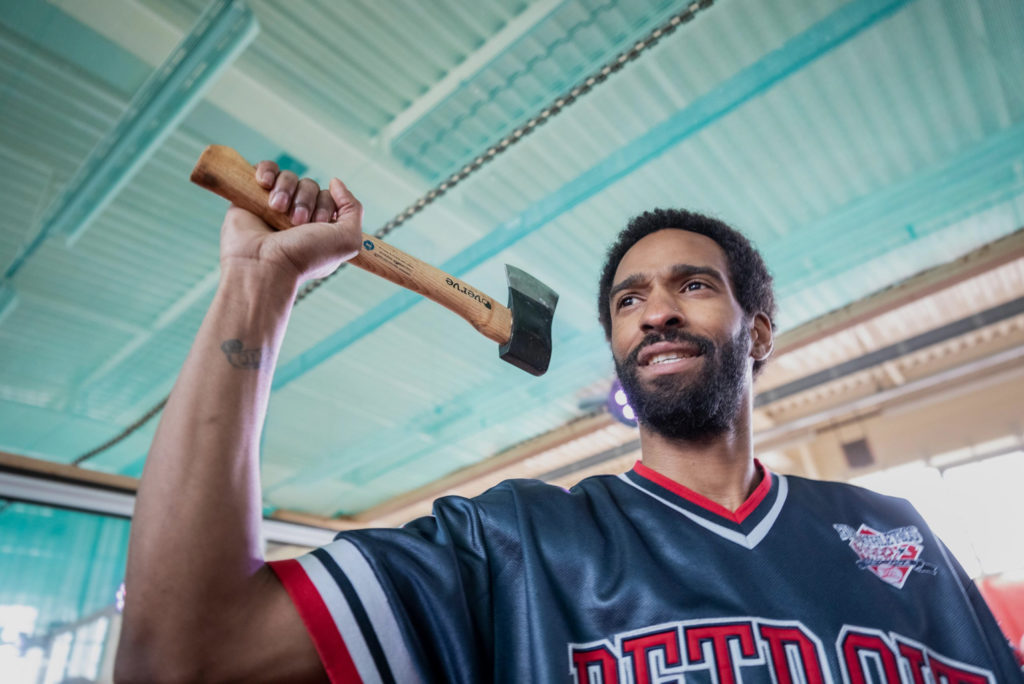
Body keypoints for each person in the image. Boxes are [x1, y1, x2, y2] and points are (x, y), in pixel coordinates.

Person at [115, 163, 1023, 683]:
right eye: (630, 299)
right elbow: (183, 659)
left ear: (762, 331)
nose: (656, 311)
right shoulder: (510, 544)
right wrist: (259, 281)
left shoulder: (897, 535)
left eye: (693, 286)